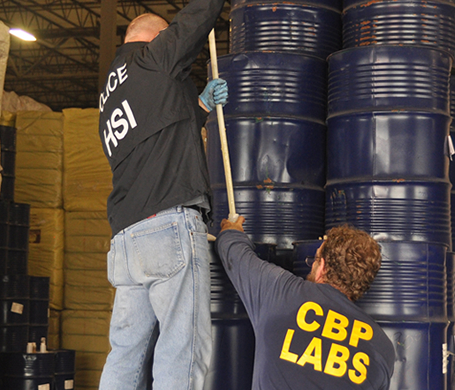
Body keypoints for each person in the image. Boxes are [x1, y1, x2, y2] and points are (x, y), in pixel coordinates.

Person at [96, 1, 227, 389]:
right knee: (182, 353)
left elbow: (158, 130)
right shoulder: (153, 57)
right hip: (168, 228)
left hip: (128, 240)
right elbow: (195, 20)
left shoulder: (109, 95)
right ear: (156, 37)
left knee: (124, 356)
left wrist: (200, 105)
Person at [216, 216, 396, 389]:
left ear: (323, 266)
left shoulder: (281, 291)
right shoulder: (382, 347)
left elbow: (234, 252)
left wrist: (232, 231)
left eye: (315, 260)